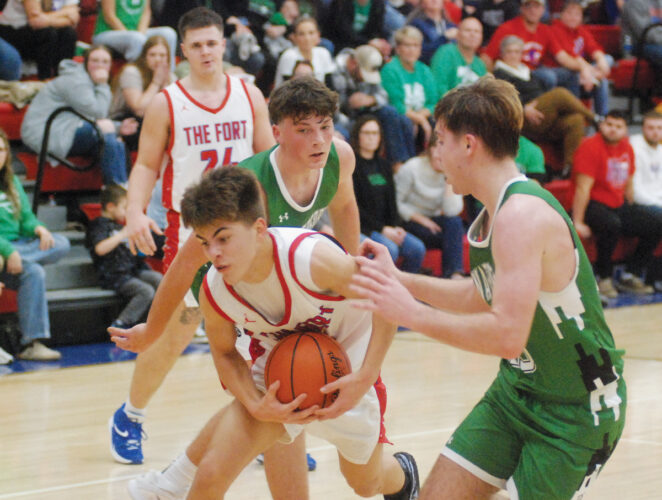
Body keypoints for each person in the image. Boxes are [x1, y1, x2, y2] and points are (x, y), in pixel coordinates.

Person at [350, 76, 627, 500]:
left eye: (440, 141)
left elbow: (507, 335)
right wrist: (399, 280)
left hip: (576, 411)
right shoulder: (494, 211)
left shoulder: (521, 215)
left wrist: (410, 312)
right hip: (516, 393)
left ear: (468, 145)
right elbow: (480, 295)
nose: (436, 153)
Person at [112, 75, 361, 499]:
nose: (319, 139)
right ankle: (166, 468)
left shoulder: (339, 157)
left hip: (275, 280)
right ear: (276, 132)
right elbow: (188, 260)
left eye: (325, 126)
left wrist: (350, 277)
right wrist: (153, 329)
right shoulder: (252, 186)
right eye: (304, 130)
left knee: (274, 395)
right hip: (226, 280)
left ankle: (170, 483)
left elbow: (345, 207)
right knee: (267, 393)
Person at [118, 165, 420, 500]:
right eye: (205, 242)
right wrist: (255, 403)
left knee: (366, 484)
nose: (214, 253)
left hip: (347, 371)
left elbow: (386, 301)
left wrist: (365, 375)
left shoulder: (312, 260)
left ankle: (403, 475)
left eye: (223, 238)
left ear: (259, 228)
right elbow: (224, 352)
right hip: (279, 379)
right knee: (211, 474)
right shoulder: (215, 291)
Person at [107, 5, 274, 466]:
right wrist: (135, 212)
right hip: (191, 234)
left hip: (245, 231)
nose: (205, 52)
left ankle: (264, 430)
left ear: (224, 44)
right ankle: (130, 415)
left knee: (261, 330)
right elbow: (146, 164)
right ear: (183, 50)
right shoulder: (168, 102)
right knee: (170, 336)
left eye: (212, 43)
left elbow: (269, 162)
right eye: (196, 45)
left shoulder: (249, 95)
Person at [572, 110, 662, 298]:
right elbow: (582, 189)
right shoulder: (590, 146)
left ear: (625, 130)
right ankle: (603, 277)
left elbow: (629, 180)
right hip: (593, 204)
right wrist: (577, 222)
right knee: (611, 224)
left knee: (656, 221)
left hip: (617, 203)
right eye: (609, 125)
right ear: (602, 126)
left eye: (618, 126)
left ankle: (631, 274)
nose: (613, 129)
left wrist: (633, 206)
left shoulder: (626, 148)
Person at [0, 129, 70, 362]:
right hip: (3, 250)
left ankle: (32, 345)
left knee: (61, 243)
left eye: (2, 150)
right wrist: (8, 251)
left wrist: (39, 229)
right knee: (35, 272)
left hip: (17, 249)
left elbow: (26, 219)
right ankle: (32, 342)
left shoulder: (11, 182)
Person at [20, 45, 135, 187]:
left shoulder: (88, 79)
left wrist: (118, 127)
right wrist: (103, 84)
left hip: (67, 126)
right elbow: (98, 112)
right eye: (95, 60)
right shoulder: (75, 80)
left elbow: (91, 116)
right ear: (85, 62)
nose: (100, 66)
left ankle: (119, 191)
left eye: (105, 62)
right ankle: (118, 191)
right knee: (105, 136)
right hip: (46, 133)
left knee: (114, 143)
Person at [493, 35, 597, 176]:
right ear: (502, 54)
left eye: (517, 52)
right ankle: (595, 119)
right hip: (523, 119)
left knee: (576, 120)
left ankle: (569, 169)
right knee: (559, 93)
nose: (513, 55)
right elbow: (502, 100)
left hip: (542, 116)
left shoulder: (527, 71)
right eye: (509, 52)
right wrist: (523, 108)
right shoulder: (499, 74)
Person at [351, 115, 425, 273]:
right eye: (367, 133)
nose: (371, 137)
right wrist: (382, 229)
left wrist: (396, 227)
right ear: (358, 136)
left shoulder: (384, 166)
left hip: (386, 227)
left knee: (417, 249)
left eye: (375, 133)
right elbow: (354, 208)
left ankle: (404, 286)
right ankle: (378, 287)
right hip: (365, 228)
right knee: (391, 250)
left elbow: (392, 202)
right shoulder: (352, 166)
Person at [327, 44, 417, 168]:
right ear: (353, 63)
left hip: (367, 113)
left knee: (397, 117)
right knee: (342, 134)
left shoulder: (371, 69)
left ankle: (402, 164)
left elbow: (384, 96)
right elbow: (333, 111)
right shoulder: (334, 75)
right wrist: (349, 103)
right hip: (344, 119)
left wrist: (371, 99)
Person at [86, 185, 163, 329]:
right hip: (113, 275)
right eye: (124, 208)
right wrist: (122, 235)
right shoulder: (98, 225)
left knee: (159, 279)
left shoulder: (120, 226)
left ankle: (162, 321)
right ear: (111, 207)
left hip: (132, 271)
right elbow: (100, 249)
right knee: (145, 291)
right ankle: (120, 324)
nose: (127, 213)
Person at [394, 134, 465, 278]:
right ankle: (448, 274)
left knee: (455, 223)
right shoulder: (412, 168)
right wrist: (421, 219)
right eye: (440, 148)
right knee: (451, 238)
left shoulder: (454, 172)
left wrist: (449, 178)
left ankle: (454, 275)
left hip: (434, 221)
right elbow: (396, 202)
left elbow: (452, 211)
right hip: (410, 220)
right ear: (431, 150)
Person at [481, 0, 587, 95]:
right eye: (528, 6)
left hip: (534, 71)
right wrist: (489, 80)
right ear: (522, 8)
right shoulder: (507, 28)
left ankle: (571, 109)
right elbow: (487, 57)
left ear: (543, 10)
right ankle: (546, 106)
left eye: (536, 6)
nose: (532, 10)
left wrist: (584, 68)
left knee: (570, 74)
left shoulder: (545, 30)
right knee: (548, 76)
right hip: (513, 72)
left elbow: (562, 57)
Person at [109, 35, 176, 151]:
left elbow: (172, 109)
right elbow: (139, 110)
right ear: (144, 57)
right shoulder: (131, 72)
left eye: (162, 55)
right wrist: (156, 83)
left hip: (150, 119)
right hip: (124, 120)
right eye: (152, 55)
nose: (158, 59)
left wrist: (164, 85)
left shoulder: (170, 76)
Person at [549, 0, 612, 116]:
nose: (573, 17)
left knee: (607, 60)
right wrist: (587, 70)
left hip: (583, 72)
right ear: (561, 14)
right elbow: (566, 58)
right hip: (563, 72)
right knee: (577, 75)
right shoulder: (555, 29)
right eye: (569, 13)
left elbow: (594, 48)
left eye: (577, 14)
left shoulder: (581, 30)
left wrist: (601, 61)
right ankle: (577, 116)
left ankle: (602, 118)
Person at [380, 26, 439, 150]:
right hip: (400, 119)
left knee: (437, 121)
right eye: (407, 45)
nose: (412, 50)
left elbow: (433, 102)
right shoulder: (390, 70)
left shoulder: (425, 70)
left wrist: (420, 117)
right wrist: (420, 120)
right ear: (398, 48)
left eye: (415, 45)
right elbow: (396, 104)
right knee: (404, 121)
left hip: (421, 117)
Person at [0, 0, 78, 79]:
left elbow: (73, 19)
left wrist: (46, 19)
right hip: (11, 32)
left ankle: (64, 77)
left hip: (40, 29)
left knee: (68, 33)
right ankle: (44, 78)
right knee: (47, 34)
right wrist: (65, 13)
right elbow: (35, 20)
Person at [92, 0, 177, 70]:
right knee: (136, 39)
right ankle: (137, 76)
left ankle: (169, 76)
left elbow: (146, 12)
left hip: (135, 33)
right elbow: (109, 15)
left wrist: (141, 33)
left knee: (169, 33)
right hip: (107, 33)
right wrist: (128, 34)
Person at [630, 110, 662, 292]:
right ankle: (639, 273)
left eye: (659, 128)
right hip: (635, 204)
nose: (655, 132)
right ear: (642, 128)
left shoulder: (661, 150)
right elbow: (636, 192)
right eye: (651, 128)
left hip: (655, 204)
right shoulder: (634, 147)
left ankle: (653, 276)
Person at [430, 16, 486, 97]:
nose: (472, 34)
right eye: (468, 30)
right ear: (458, 34)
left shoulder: (480, 64)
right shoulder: (446, 53)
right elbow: (439, 87)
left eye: (476, 31)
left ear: (481, 37)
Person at [274, 16, 336, 87]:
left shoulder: (323, 53)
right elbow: (286, 88)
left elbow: (329, 86)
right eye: (301, 34)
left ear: (318, 35)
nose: (307, 38)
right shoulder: (288, 56)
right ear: (294, 37)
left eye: (311, 33)